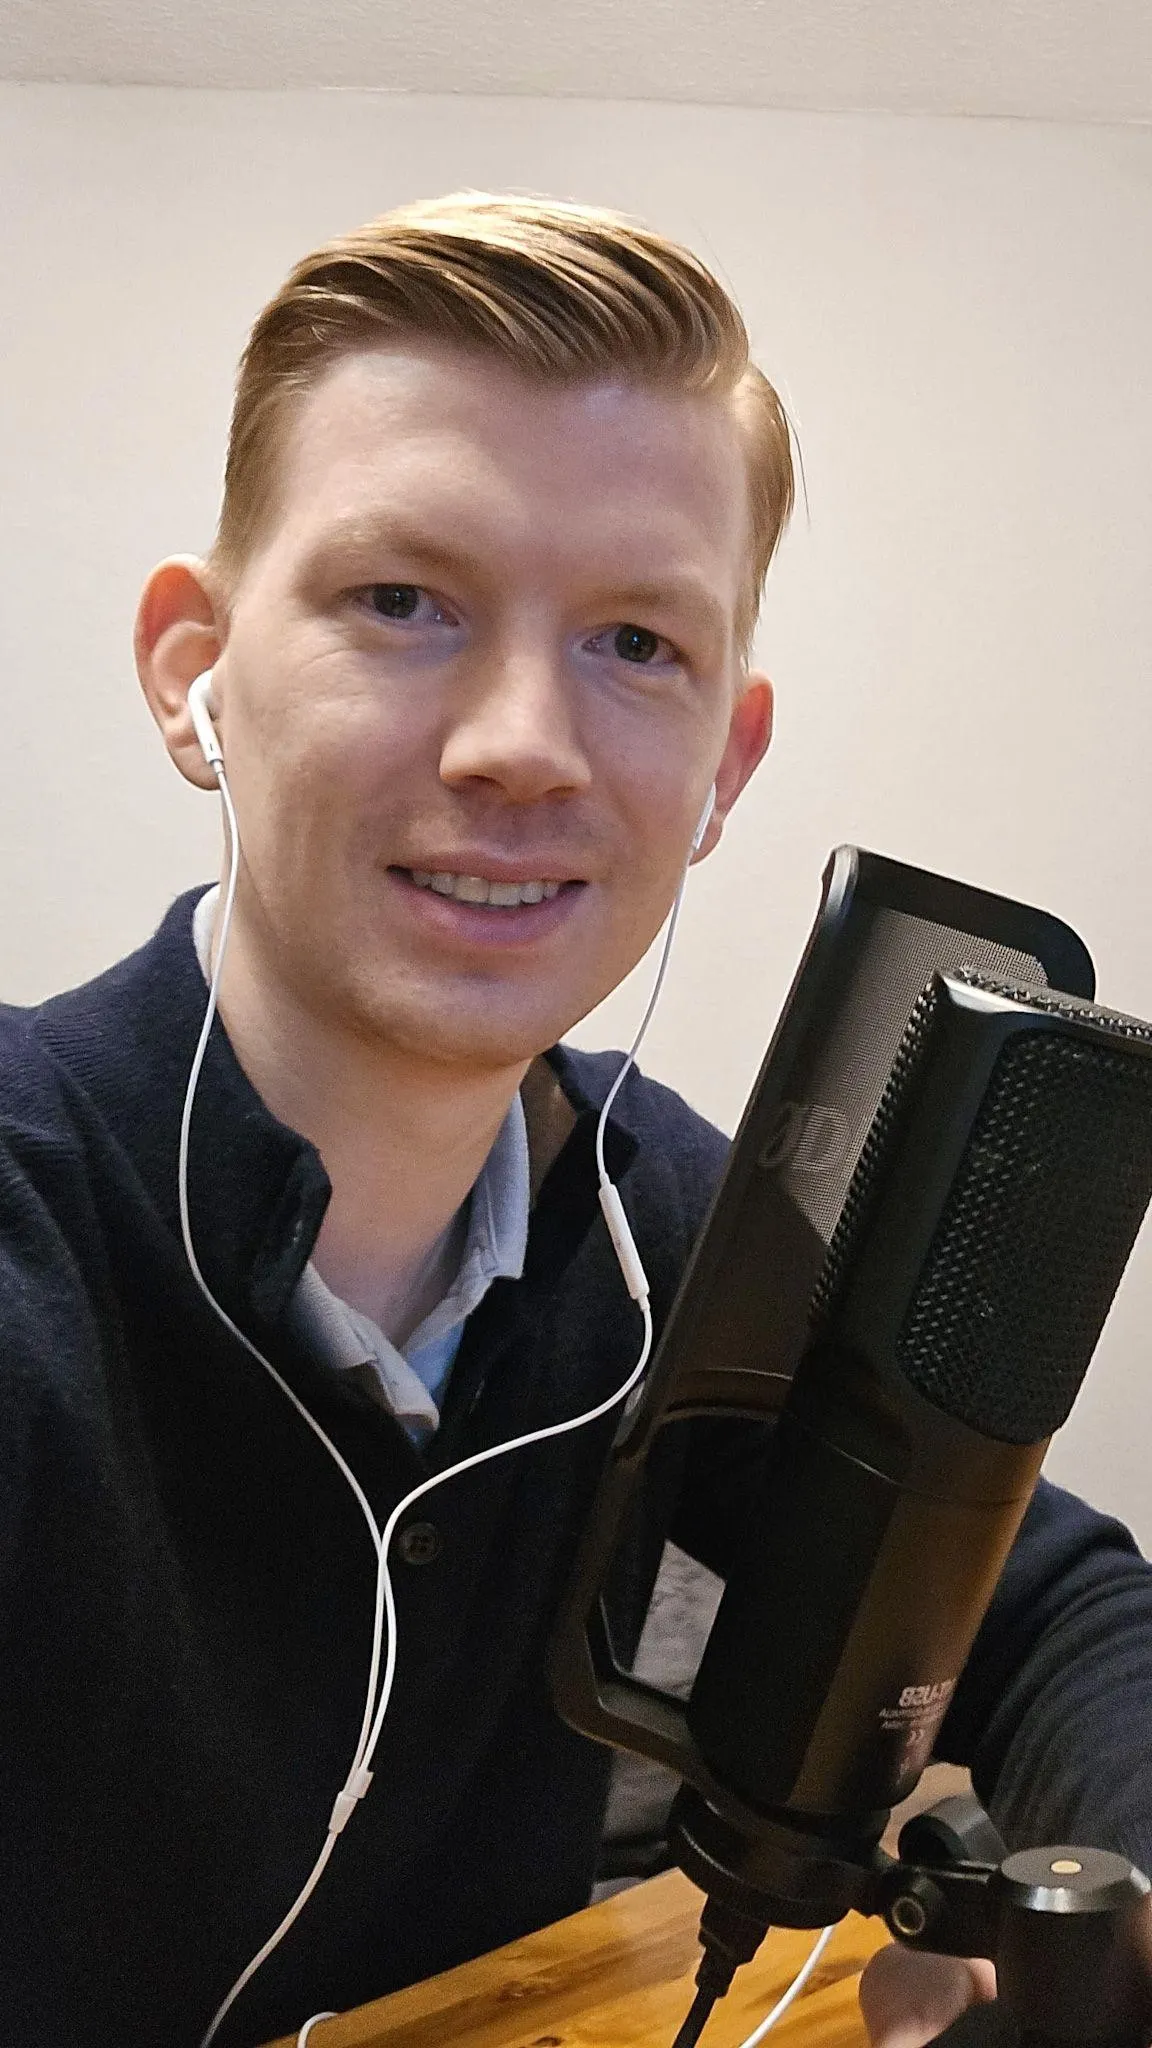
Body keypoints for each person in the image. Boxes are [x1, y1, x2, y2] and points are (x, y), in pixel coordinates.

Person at [2, 190, 1150, 2048]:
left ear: (727, 765)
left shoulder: (660, 1210)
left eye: (636, 643)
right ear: (190, 670)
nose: (523, 742)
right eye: (403, 602)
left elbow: (1048, 1595)